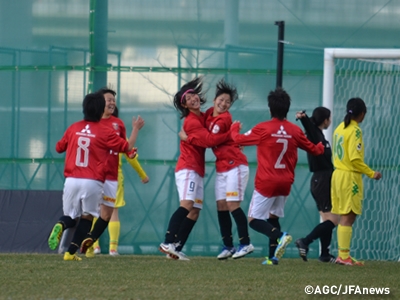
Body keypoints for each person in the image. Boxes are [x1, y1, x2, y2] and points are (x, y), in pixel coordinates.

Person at [230, 87, 324, 265]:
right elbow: (314, 149)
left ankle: (281, 236)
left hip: (267, 182)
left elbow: (238, 139)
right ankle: (273, 257)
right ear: (287, 108)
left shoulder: (263, 128)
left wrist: (234, 127)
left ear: (270, 109)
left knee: (254, 220)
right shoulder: (295, 131)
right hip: (285, 183)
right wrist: (321, 146)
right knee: (273, 217)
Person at [47, 92, 144, 261]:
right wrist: (136, 129)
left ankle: (61, 226)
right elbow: (127, 147)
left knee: (71, 216)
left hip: (71, 179)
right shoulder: (104, 131)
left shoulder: (74, 127)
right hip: (93, 180)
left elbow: (58, 148)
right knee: (89, 217)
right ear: (101, 108)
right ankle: (76, 249)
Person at [180, 79, 253, 260]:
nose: (223, 104)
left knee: (232, 204)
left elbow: (211, 140)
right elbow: (199, 123)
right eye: (221, 100)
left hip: (234, 164)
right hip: (222, 166)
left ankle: (245, 243)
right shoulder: (209, 115)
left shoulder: (224, 119)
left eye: (227, 102)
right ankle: (228, 246)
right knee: (221, 205)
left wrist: (186, 137)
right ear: (214, 100)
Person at [158, 77, 230, 261]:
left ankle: (177, 247)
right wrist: (232, 133)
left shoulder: (202, 116)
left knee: (195, 210)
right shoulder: (191, 121)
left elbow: (213, 120)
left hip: (197, 169)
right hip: (188, 168)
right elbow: (208, 141)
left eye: (193, 95)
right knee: (187, 204)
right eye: (187, 99)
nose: (192, 99)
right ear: (185, 106)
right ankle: (167, 242)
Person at [80, 87, 144, 256]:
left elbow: (125, 147)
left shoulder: (118, 123)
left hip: (113, 175)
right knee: (93, 209)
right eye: (108, 99)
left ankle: (113, 249)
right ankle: (93, 247)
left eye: (113, 100)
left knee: (112, 210)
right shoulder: (91, 123)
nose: (111, 102)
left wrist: (131, 153)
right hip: (94, 173)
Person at [92, 106, 150, 256]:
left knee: (95, 210)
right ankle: (113, 248)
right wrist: (142, 174)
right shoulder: (118, 136)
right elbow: (131, 157)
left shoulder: (94, 132)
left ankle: (94, 245)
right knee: (113, 211)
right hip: (113, 178)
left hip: (96, 176)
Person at [331, 97, 382, 266]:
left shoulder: (339, 128)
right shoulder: (355, 131)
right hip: (349, 176)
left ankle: (343, 254)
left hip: (337, 174)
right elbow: (354, 159)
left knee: (344, 215)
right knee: (348, 215)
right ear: (361, 114)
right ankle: (343, 256)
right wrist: (371, 173)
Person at [294, 108, 338, 263]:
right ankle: (305, 241)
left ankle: (325, 254)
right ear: (325, 120)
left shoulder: (319, 135)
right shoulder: (315, 135)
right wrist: (304, 118)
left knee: (327, 219)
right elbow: (310, 129)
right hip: (322, 180)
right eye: (329, 118)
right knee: (334, 220)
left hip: (321, 180)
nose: (330, 121)